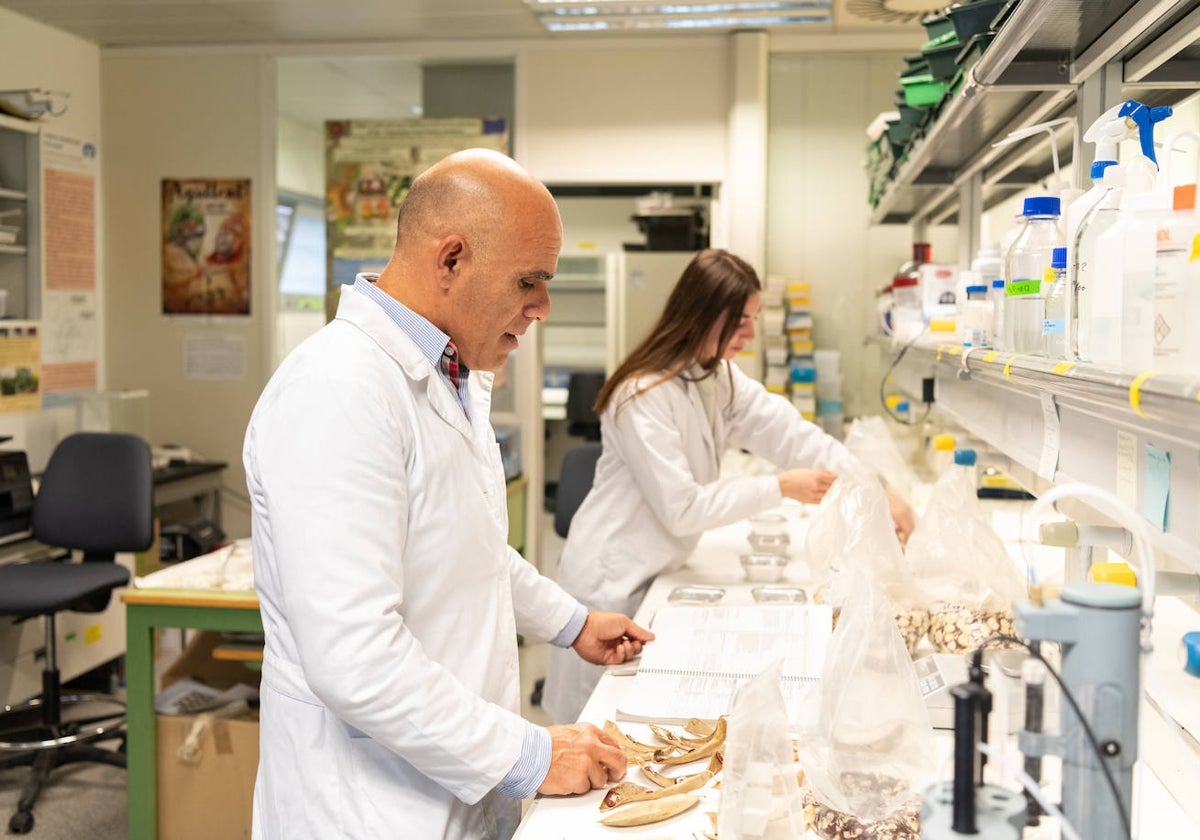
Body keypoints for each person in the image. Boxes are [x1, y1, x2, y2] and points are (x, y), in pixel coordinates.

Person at [243, 148, 653, 840]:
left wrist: (572, 622)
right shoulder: (337, 391)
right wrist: (529, 752)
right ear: (452, 259)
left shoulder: (445, 376)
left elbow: (470, 547)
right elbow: (354, 655)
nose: (542, 307)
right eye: (530, 280)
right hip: (369, 807)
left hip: (448, 778)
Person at [542, 248, 915, 725]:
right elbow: (684, 509)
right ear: (702, 314)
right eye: (740, 320)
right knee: (595, 723)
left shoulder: (716, 380)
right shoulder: (641, 395)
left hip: (657, 567)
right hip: (611, 580)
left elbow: (792, 436)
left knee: (635, 722)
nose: (751, 334)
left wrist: (878, 491)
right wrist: (780, 486)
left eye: (753, 319)